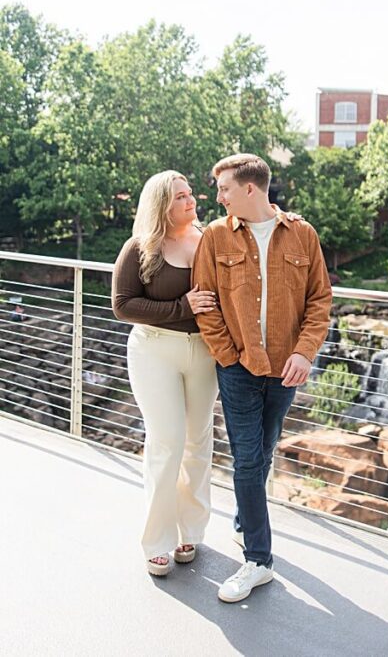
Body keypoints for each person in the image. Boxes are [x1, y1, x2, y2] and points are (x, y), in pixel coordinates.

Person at [192, 153, 332, 603]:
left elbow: (319, 302)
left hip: (286, 370)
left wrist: (305, 353)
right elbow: (206, 303)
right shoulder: (215, 237)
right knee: (248, 460)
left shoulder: (303, 234)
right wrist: (229, 357)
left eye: (224, 189)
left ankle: (242, 521)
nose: (218, 197)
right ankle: (258, 561)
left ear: (250, 189)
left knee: (264, 451)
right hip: (239, 369)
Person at [112, 170, 219, 577]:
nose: (190, 201)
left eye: (190, 194)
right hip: (154, 350)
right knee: (167, 442)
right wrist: (182, 308)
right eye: (179, 197)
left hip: (205, 353)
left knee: (198, 443)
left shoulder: (210, 239)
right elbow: (123, 305)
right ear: (160, 204)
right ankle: (156, 541)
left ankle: (190, 531)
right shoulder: (141, 247)